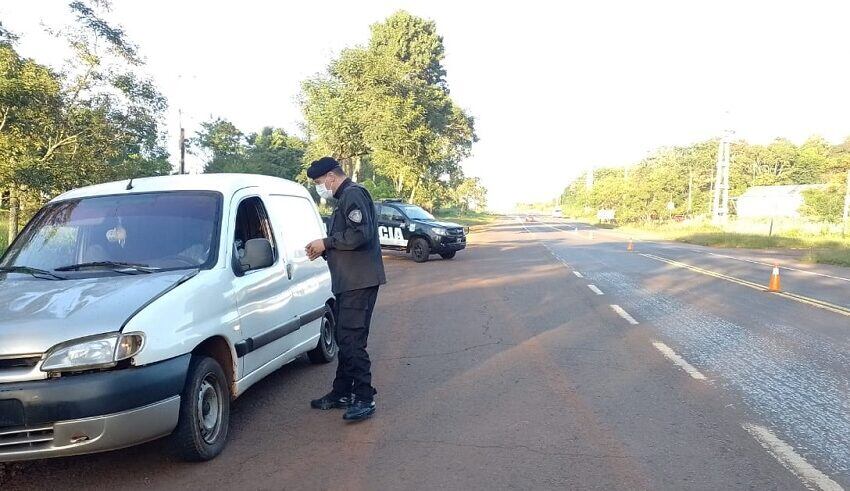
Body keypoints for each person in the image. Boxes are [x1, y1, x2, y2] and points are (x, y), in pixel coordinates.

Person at [305, 157, 386, 421]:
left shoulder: (353, 194)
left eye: (319, 183)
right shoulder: (346, 198)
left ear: (330, 177)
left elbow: (360, 235)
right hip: (350, 281)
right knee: (345, 338)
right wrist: (325, 249)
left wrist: (326, 243)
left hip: (358, 282)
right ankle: (342, 391)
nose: (320, 187)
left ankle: (364, 397)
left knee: (351, 340)